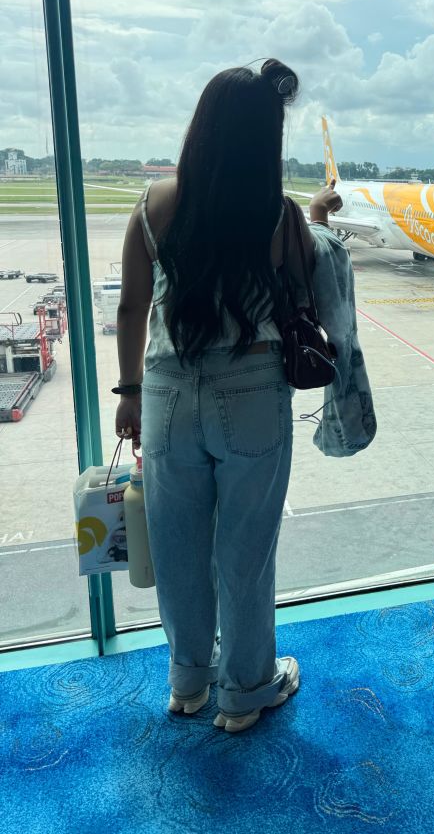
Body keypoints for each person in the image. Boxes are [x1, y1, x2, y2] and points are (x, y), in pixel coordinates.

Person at [114, 60, 343, 733]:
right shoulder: (279, 214)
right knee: (246, 553)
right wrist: (315, 219)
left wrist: (130, 392)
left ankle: (188, 681)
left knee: (178, 549)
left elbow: (131, 307)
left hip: (166, 392)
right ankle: (245, 692)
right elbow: (308, 293)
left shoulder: (154, 205)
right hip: (252, 391)